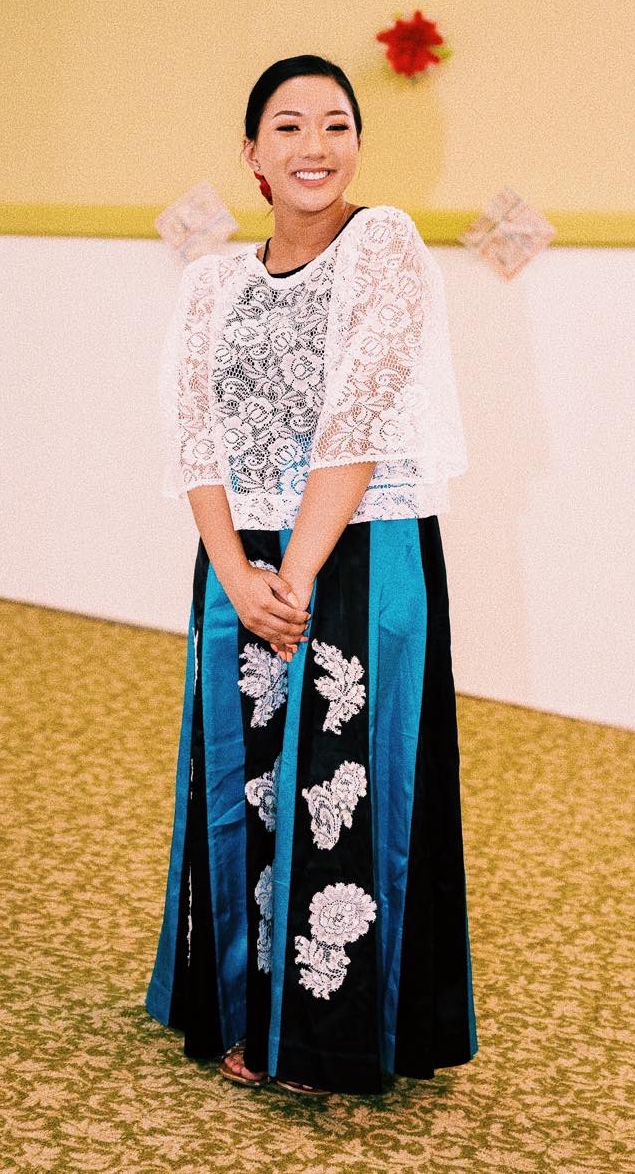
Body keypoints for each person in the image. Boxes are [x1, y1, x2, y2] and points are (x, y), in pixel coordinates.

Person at [145, 54, 479, 1096]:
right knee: (245, 783)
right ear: (252, 155)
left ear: (357, 147)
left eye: (336, 125)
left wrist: (288, 575)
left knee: (342, 790)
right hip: (240, 565)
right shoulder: (212, 282)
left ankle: (329, 1038)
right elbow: (194, 434)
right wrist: (233, 575)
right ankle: (245, 1015)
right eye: (287, 128)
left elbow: (361, 415)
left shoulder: (382, 245)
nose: (314, 147)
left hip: (359, 552)